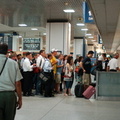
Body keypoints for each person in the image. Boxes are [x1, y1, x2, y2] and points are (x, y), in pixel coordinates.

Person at [0, 43, 23, 120]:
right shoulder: (13, 63)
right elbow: (18, 83)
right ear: (7, 51)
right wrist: (20, 98)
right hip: (9, 96)